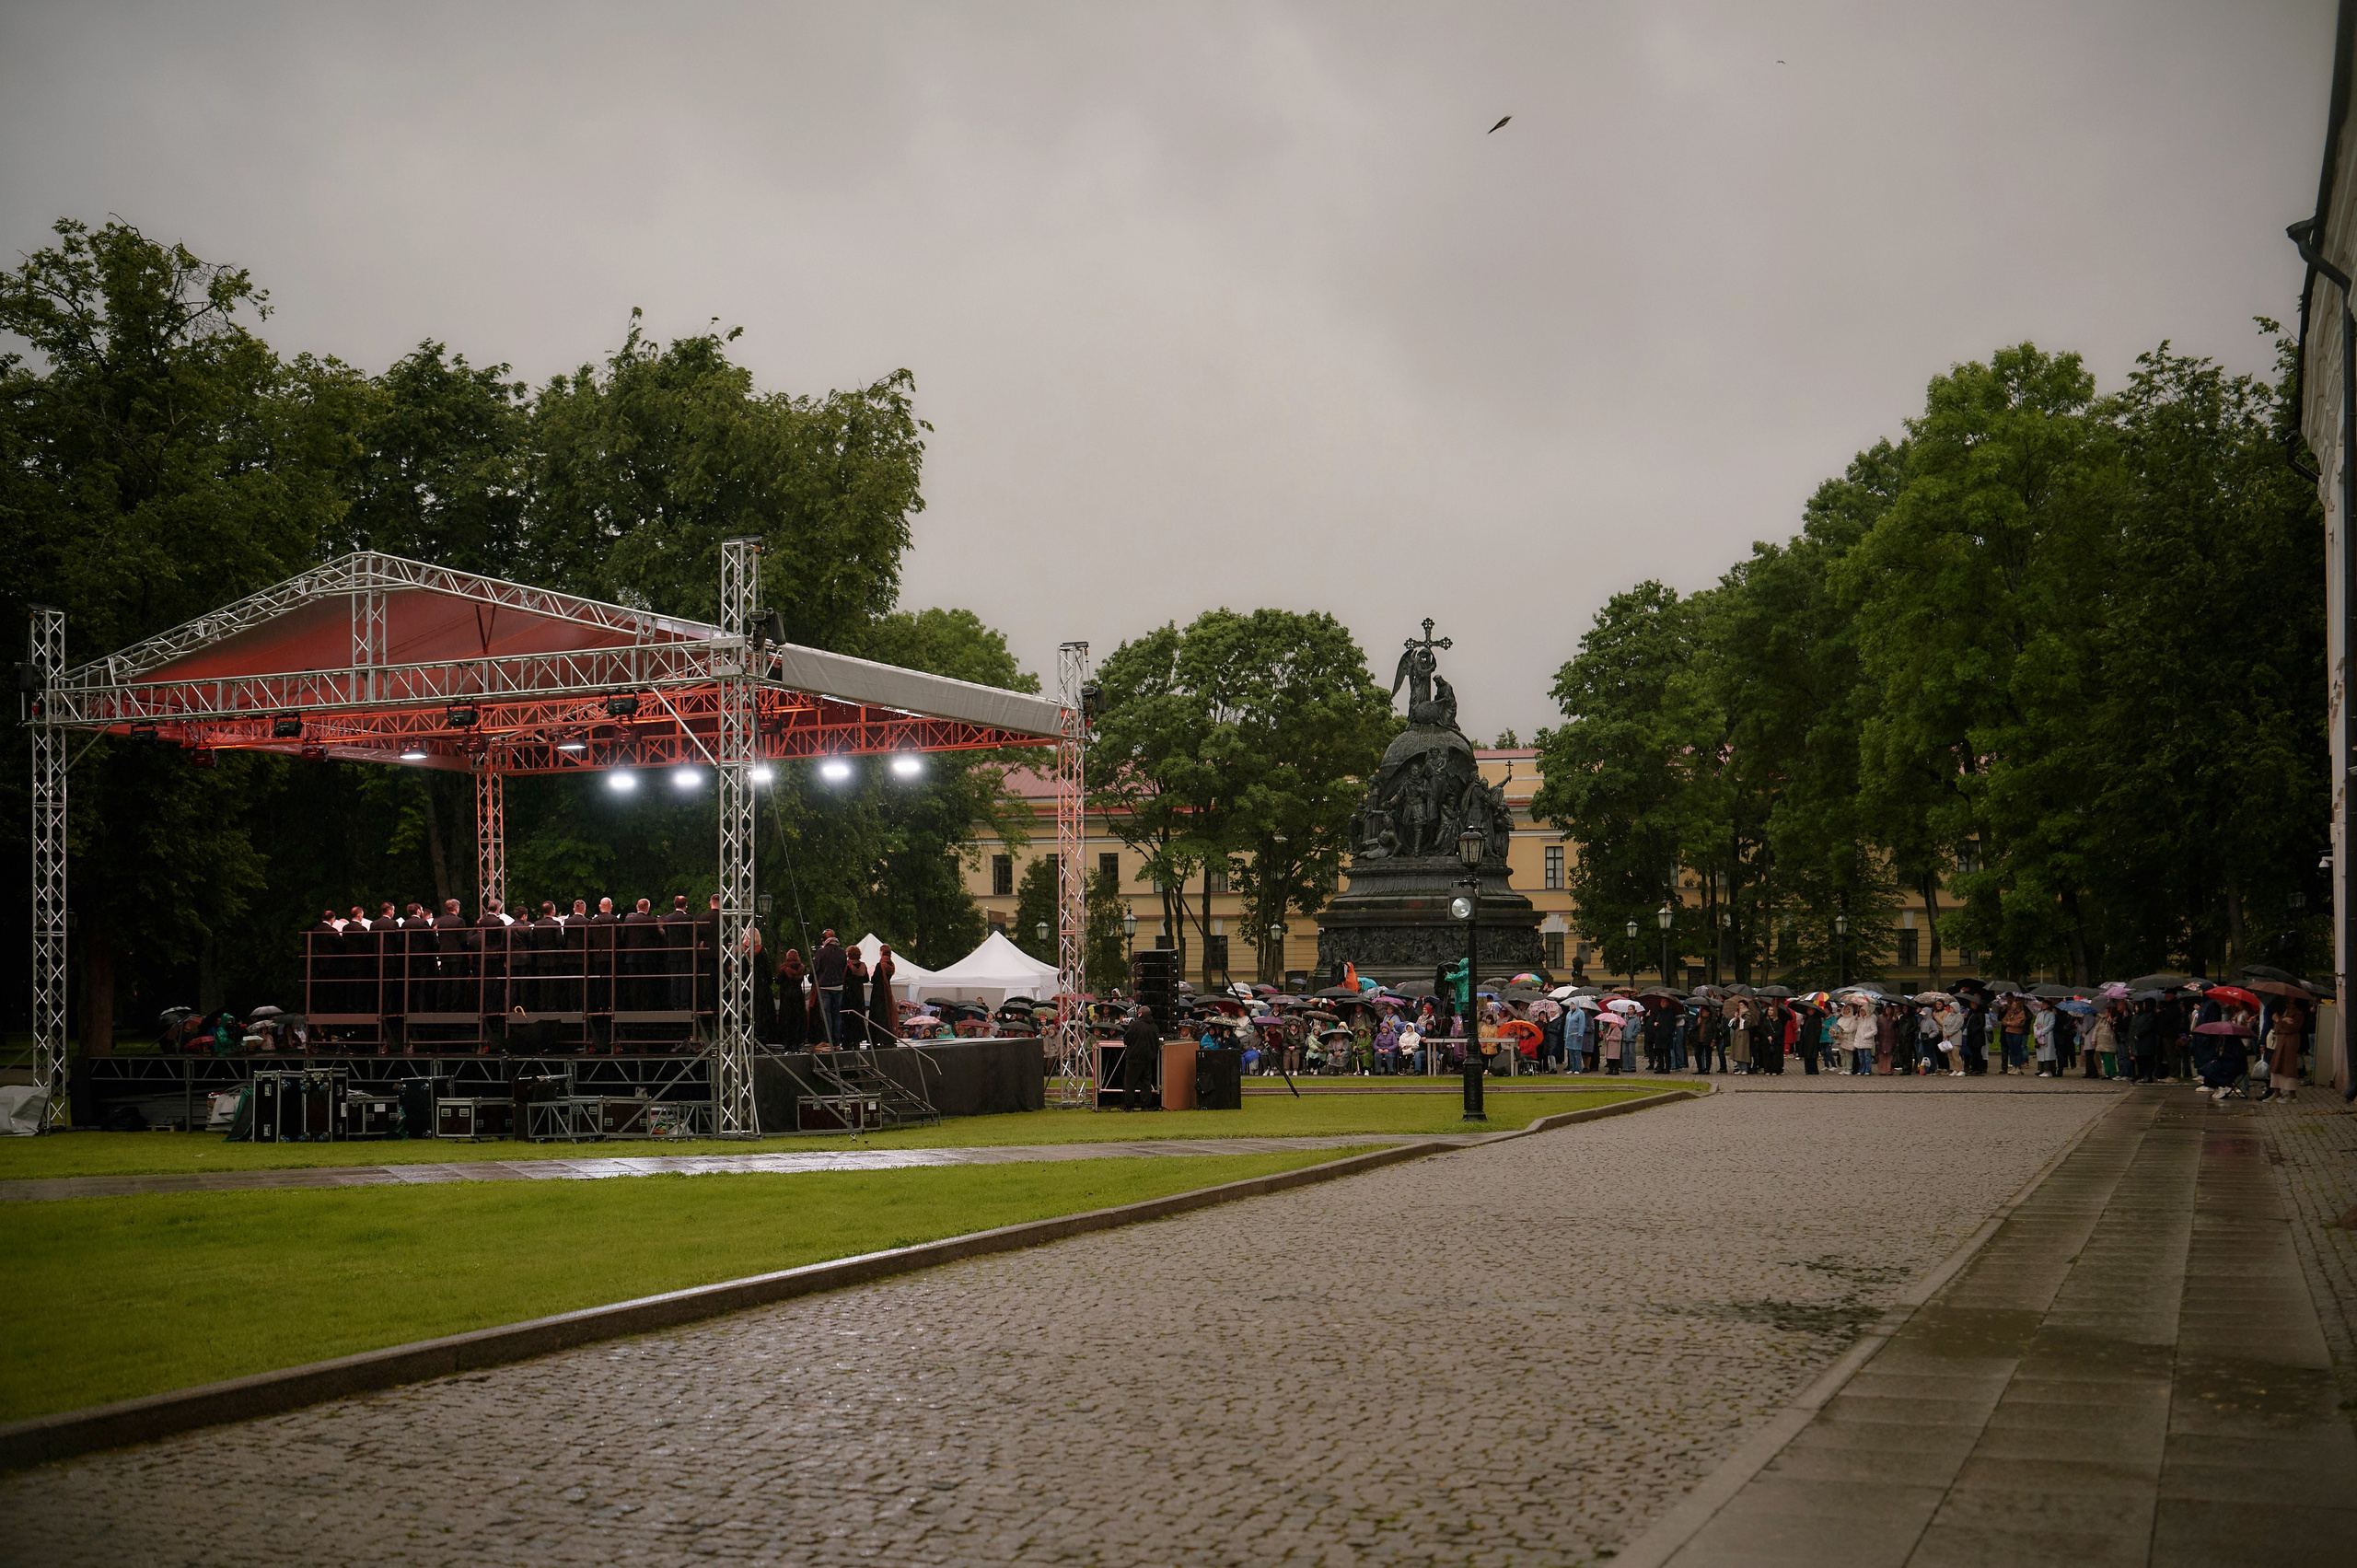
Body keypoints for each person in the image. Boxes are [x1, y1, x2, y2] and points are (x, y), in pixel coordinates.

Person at [1120, 1005, 1161, 1110]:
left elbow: (1127, 1040)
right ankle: (1145, 1105)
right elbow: (1156, 1043)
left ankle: (1129, 1106)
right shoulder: (1154, 1027)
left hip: (1134, 1059)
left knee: (1130, 1084)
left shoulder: (1135, 1025)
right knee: (1146, 1084)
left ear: (1140, 1014)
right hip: (1148, 1059)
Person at [2264, 1002, 2307, 1101]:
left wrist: (2279, 1021)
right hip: (2280, 1041)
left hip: (2290, 1041)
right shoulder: (2282, 1012)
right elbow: (2278, 1028)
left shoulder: (2298, 1014)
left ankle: (2291, 1094)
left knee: (2289, 1066)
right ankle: (2276, 1092)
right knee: (2276, 1065)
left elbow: (2291, 1028)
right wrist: (2283, 1020)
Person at [812, 930, 848, 1047]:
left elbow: (816, 968)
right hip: (838, 986)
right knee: (836, 1014)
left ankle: (827, 1040)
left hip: (825, 986)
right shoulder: (842, 952)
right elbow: (843, 967)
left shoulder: (821, 952)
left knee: (826, 1014)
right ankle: (837, 1041)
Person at [775, 947, 807, 1050]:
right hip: (798, 995)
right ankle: (798, 1041)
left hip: (786, 997)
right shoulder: (802, 968)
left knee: (787, 1019)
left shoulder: (783, 969)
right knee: (798, 1018)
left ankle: (788, 1041)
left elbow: (779, 981)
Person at [871, 943, 899, 1044]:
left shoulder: (881, 965)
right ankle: (887, 1037)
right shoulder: (891, 965)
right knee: (886, 1015)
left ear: (882, 952)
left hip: (878, 993)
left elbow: (874, 979)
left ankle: (877, 1037)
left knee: (878, 1015)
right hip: (887, 991)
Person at [1563, 1001, 1590, 1074]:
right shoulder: (1569, 1014)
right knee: (1570, 1053)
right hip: (1569, 1036)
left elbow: (1582, 1024)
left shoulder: (1580, 1013)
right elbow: (1566, 1025)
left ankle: (1578, 1068)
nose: (1572, 1005)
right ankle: (1572, 1068)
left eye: (1573, 1004)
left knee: (1577, 1053)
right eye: (1571, 1004)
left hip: (1576, 1035)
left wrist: (1580, 1034)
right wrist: (1565, 1035)